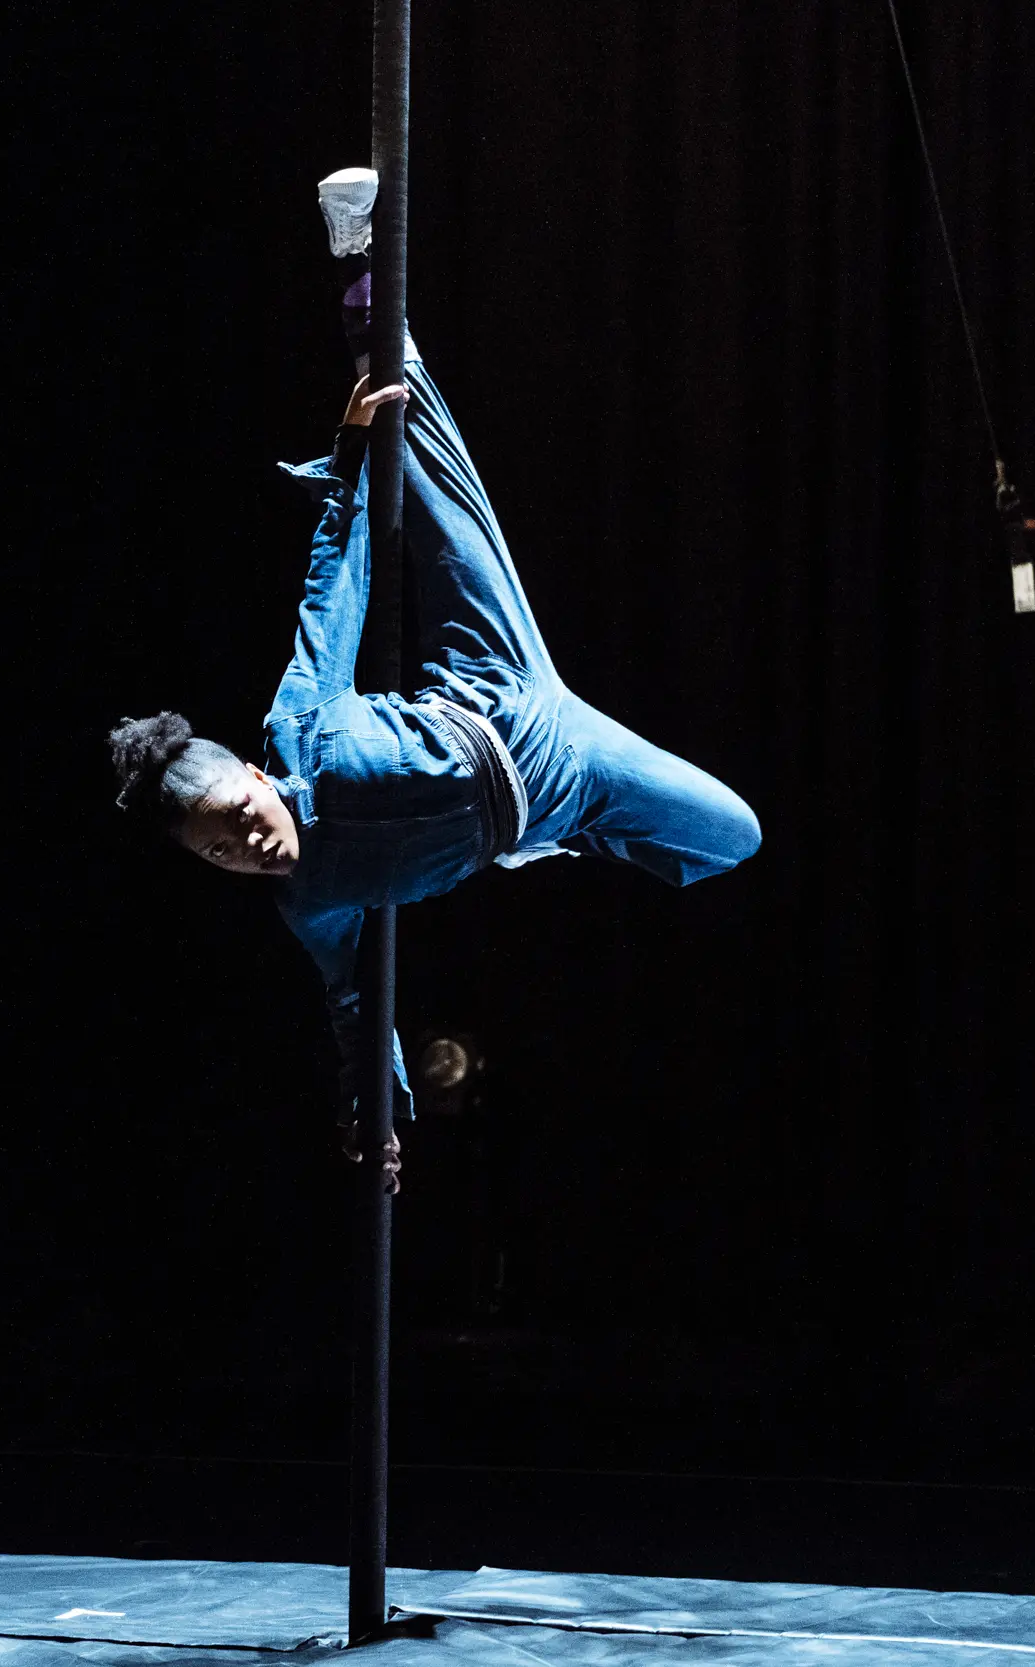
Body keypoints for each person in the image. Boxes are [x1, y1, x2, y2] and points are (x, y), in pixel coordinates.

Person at [109, 171, 760, 1180]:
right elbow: (356, 1002)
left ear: (249, 770)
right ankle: (574, 834)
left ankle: (359, 260)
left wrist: (352, 452)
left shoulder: (300, 728)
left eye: (237, 816)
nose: (247, 845)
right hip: (554, 801)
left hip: (505, 696)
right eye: (221, 853)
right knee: (730, 840)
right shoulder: (309, 900)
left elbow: (336, 592)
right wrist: (377, 1109)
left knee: (422, 449)